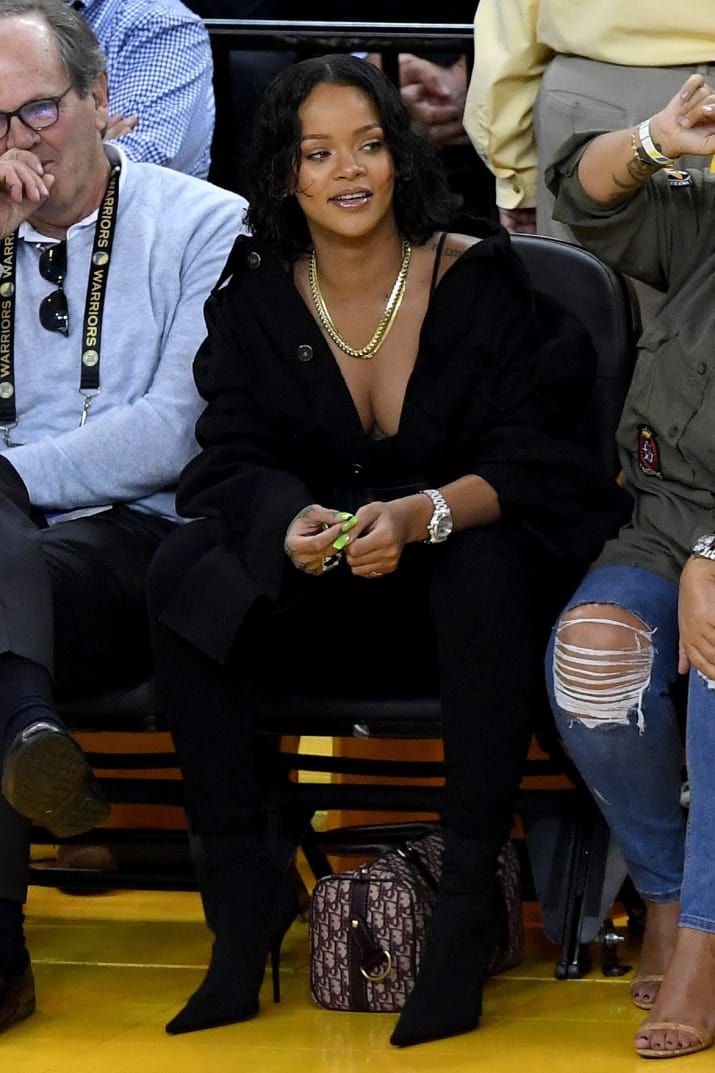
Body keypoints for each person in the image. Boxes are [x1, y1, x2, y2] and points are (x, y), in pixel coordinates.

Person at [147, 52, 628, 1046]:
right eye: (318, 152)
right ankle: (242, 905)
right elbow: (229, 457)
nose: (349, 170)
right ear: (285, 174)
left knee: (483, 564)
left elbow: (550, 463)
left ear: (398, 157)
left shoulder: (482, 280)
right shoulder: (257, 302)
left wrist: (422, 515)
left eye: (367, 143)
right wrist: (290, 521)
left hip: (469, 606)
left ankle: (464, 910)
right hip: (330, 601)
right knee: (188, 570)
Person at [0, 0, 246, 1032]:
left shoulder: (206, 220)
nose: (15, 143)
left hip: (141, 544)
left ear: (105, 104)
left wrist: (7, 478)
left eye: (37, 111)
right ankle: (26, 726)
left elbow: (174, 432)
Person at [545, 74, 715, 1059]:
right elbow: (583, 199)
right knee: (593, 655)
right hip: (663, 525)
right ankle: (660, 889)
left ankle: (703, 938)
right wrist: (659, 134)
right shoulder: (704, 225)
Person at [463, 0, 715, 236]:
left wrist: (518, 179)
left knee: (581, 280)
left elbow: (511, 24)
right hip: (593, 100)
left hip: (590, 97)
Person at [77, 0, 216, 177]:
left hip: (135, 204)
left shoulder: (160, 20)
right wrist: (93, 147)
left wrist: (55, 157)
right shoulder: (31, 20)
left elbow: (130, 169)